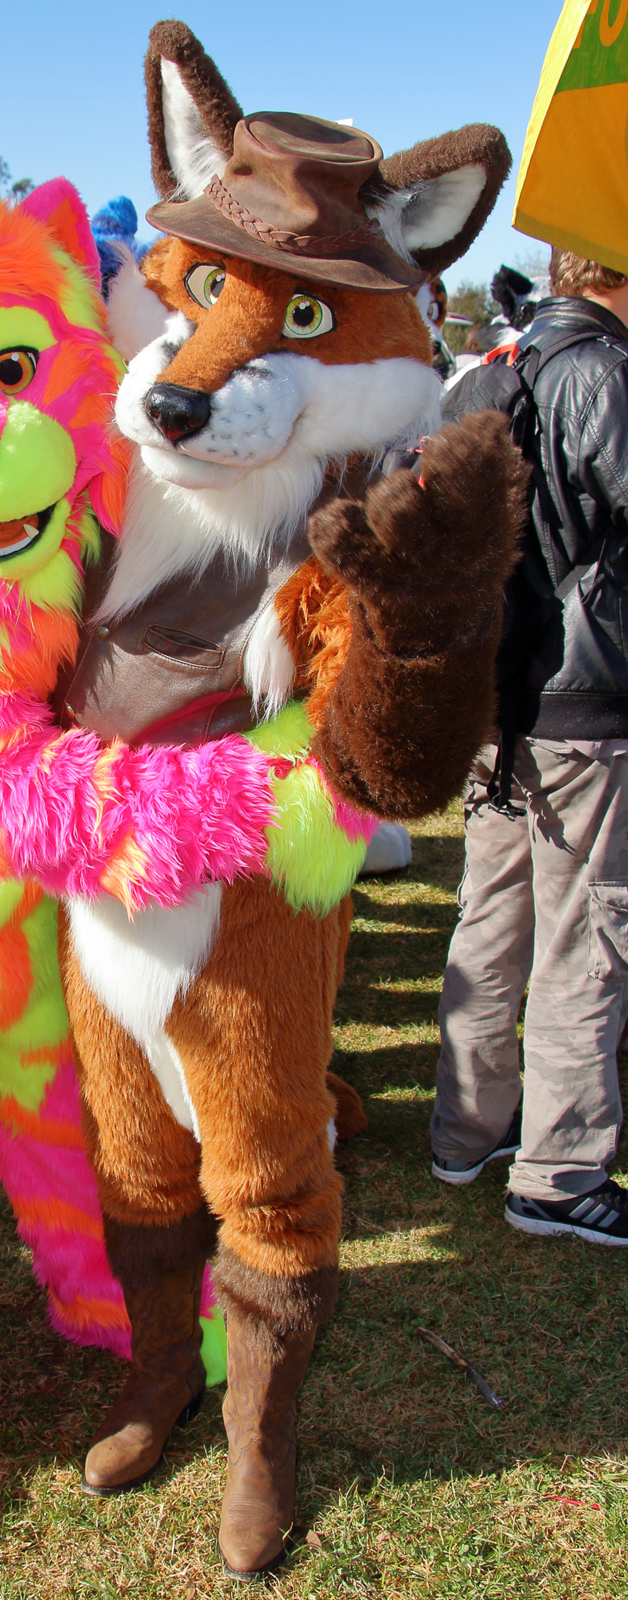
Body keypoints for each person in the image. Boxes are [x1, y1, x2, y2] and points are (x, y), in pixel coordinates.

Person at [432, 245, 628, 1246]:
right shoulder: (602, 372)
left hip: (492, 694)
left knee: (494, 913)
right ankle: (558, 1172)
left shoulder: (489, 368)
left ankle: (467, 1127)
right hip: (580, 701)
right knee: (582, 936)